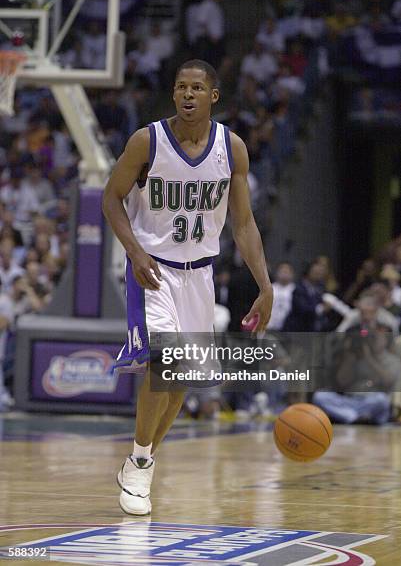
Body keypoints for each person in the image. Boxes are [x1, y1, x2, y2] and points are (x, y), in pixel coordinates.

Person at [102, 59, 273, 516]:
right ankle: (139, 459)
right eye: (181, 87)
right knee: (165, 361)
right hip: (152, 268)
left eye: (197, 87)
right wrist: (135, 251)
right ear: (173, 94)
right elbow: (110, 197)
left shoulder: (231, 149)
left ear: (213, 95)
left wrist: (265, 284)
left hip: (200, 275)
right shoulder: (147, 140)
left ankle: (144, 459)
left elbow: (243, 222)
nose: (188, 94)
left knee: (180, 385)